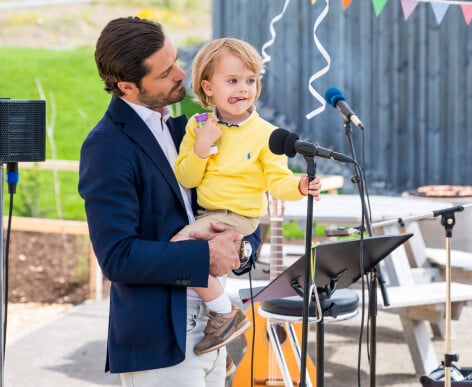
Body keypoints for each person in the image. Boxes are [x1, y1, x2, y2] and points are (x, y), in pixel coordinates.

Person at [78, 17, 261, 387]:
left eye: (177, 59)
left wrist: (240, 250)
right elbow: (117, 257)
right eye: (165, 72)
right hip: (161, 341)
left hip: (215, 333)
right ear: (128, 86)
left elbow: (234, 205)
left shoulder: (187, 129)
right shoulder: (106, 147)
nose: (181, 73)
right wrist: (204, 257)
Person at [171, 37, 322, 356]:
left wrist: (298, 186)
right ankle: (219, 354)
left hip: (238, 217)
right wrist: (202, 145)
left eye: (250, 80)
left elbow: (277, 181)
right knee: (192, 265)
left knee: (177, 252)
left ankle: (224, 313)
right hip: (207, 214)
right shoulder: (197, 126)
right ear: (208, 87)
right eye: (232, 80)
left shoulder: (267, 134)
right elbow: (186, 177)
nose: (244, 88)